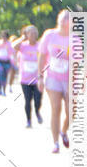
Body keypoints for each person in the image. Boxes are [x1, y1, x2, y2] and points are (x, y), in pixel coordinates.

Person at [38, 10, 72, 153]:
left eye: (68, 18)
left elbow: (77, 62)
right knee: (55, 108)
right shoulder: (49, 35)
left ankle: (63, 131)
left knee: (71, 111)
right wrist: (40, 76)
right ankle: (55, 143)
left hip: (69, 79)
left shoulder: (75, 39)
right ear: (58, 20)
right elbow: (42, 55)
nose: (65, 20)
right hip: (52, 78)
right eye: (63, 17)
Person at [15, 25, 43, 127]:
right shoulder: (23, 46)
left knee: (38, 100)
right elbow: (14, 46)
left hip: (37, 79)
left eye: (35, 33)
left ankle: (37, 111)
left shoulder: (40, 46)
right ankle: (29, 120)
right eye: (30, 33)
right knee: (27, 100)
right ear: (27, 35)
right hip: (25, 79)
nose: (33, 35)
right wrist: (22, 38)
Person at [0, 31, 15, 96]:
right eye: (3, 36)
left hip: (6, 62)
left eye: (5, 37)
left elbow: (11, 53)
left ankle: (4, 91)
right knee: (0, 74)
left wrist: (13, 62)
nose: (4, 38)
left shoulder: (9, 44)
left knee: (5, 76)